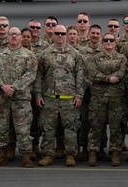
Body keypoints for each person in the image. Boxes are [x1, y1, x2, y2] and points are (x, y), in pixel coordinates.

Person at [0, 26, 38, 167]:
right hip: (2, 98)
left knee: (23, 129)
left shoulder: (29, 55)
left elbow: (30, 75)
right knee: (0, 128)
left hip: (21, 99)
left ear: (21, 37)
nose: (14, 37)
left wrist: (14, 87)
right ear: (8, 37)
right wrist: (2, 86)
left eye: (17, 34)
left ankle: (25, 156)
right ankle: (2, 155)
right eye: (11, 35)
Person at [35, 23, 83, 166]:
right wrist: (38, 95)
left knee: (71, 129)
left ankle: (70, 155)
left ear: (67, 35)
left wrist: (79, 95)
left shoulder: (75, 54)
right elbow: (39, 76)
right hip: (49, 98)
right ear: (53, 35)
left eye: (63, 34)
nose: (60, 36)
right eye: (57, 33)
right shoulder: (45, 54)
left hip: (69, 98)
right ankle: (48, 155)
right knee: (48, 129)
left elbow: (80, 76)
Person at [84, 32, 127, 166]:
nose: (109, 42)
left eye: (111, 40)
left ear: (115, 42)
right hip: (98, 96)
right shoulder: (95, 58)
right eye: (106, 40)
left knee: (115, 126)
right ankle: (93, 152)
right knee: (96, 125)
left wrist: (109, 78)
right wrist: (108, 79)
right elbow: (93, 74)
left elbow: (122, 73)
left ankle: (115, 152)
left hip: (116, 96)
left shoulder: (121, 58)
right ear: (103, 43)